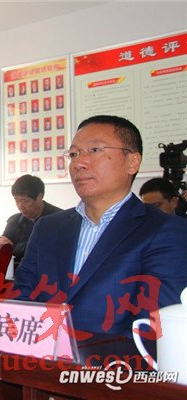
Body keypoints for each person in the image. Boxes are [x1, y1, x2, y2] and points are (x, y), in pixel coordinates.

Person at [14, 115, 187, 338]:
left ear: (132, 162)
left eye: (94, 150)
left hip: (116, 359)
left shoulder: (166, 231)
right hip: (39, 355)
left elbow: (150, 327)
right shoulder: (48, 228)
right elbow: (22, 300)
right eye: (74, 154)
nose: (78, 163)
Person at [0, 174, 61, 261]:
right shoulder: (14, 220)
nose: (20, 206)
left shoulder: (59, 218)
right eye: (16, 201)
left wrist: (12, 247)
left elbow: (43, 248)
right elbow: (1, 247)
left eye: (24, 201)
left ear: (39, 197)